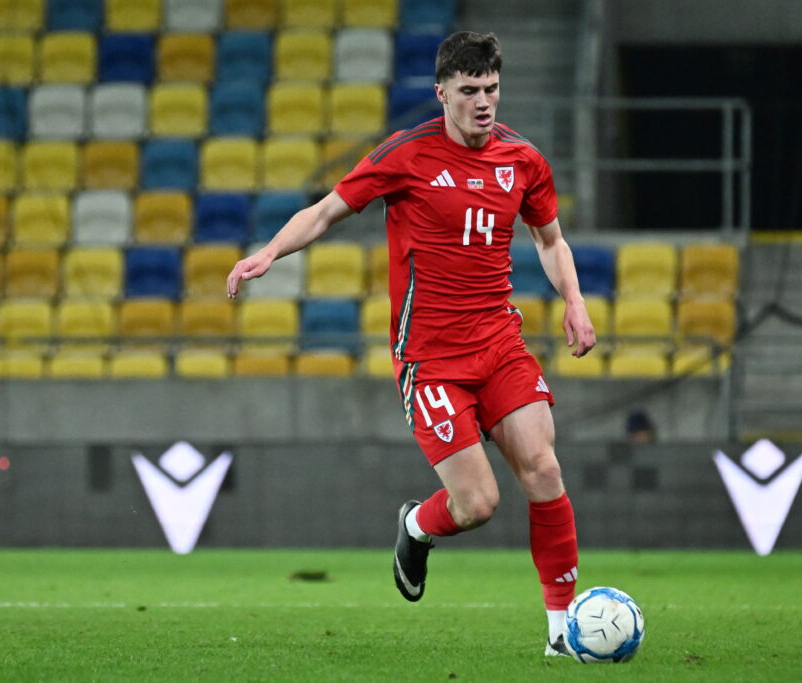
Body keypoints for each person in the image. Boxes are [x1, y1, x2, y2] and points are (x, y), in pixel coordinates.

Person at [226, 31, 596, 657]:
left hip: (500, 341)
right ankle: (417, 525)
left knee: (544, 468)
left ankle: (562, 634)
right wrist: (268, 253)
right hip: (431, 359)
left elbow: (550, 240)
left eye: (493, 90)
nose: (484, 103)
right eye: (471, 91)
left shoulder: (523, 160)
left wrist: (575, 302)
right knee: (477, 503)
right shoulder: (407, 154)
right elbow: (323, 211)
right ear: (442, 92)